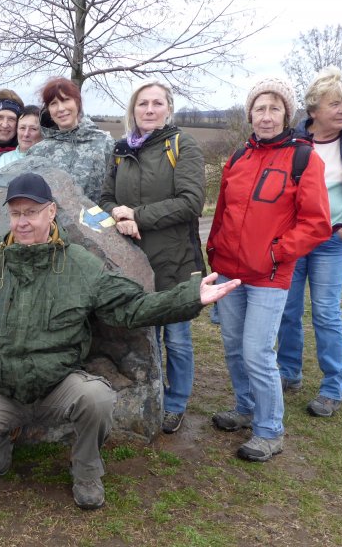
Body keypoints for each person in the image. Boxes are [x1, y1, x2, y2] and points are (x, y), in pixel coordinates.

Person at [0, 172, 240, 510]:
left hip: (58, 386)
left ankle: (86, 470)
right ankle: (1, 444)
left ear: (51, 212)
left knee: (98, 399)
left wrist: (189, 297)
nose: (23, 221)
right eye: (15, 213)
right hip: (0, 389)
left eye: (31, 212)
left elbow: (131, 309)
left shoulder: (81, 264)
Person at [207, 77, 331, 462]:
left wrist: (277, 253)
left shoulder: (303, 157)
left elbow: (317, 223)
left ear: (286, 114)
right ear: (250, 114)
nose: (266, 116)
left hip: (270, 275)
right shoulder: (239, 157)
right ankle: (245, 409)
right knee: (232, 347)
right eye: (259, 108)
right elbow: (223, 212)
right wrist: (214, 251)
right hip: (230, 271)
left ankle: (269, 429)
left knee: (257, 351)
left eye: (274, 108)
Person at [99, 80, 205, 435]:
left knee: (176, 337)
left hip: (174, 260)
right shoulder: (120, 150)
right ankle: (153, 398)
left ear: (168, 109)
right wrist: (117, 215)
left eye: (156, 103)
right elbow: (104, 197)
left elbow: (192, 202)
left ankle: (175, 404)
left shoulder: (182, 145)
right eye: (142, 103)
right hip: (132, 261)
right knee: (146, 336)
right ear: (133, 109)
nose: (149, 109)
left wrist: (138, 216)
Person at [276, 66, 342, 417]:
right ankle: (288, 373)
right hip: (295, 240)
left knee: (326, 312)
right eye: (335, 103)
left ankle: (332, 386)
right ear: (313, 110)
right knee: (288, 310)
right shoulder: (292, 141)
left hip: (333, 241)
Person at [25, 77, 114, 202]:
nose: (61, 108)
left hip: (96, 220)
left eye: (66, 100)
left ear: (77, 103)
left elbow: (115, 188)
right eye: (53, 103)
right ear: (48, 110)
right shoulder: (37, 152)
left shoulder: (104, 142)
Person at [0, 105, 42, 173]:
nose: (26, 134)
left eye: (33, 129)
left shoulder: (53, 160)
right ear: (16, 130)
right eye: (22, 128)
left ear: (43, 132)